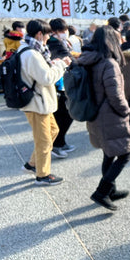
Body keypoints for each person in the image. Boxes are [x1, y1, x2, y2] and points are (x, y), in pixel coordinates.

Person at [77, 26, 130, 210]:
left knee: (109, 153)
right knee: (125, 153)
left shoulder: (89, 59)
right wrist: (125, 110)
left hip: (95, 114)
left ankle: (110, 190)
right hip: (110, 116)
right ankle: (101, 191)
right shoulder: (109, 63)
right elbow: (115, 95)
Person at [19, 19, 71, 186]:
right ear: (40, 34)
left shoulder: (32, 49)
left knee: (53, 131)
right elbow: (47, 78)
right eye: (48, 34)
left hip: (40, 102)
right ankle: (43, 175)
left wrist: (53, 64)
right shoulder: (32, 54)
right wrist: (61, 65)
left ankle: (32, 164)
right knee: (44, 140)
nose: (49, 37)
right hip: (36, 103)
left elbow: (43, 72)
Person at [47, 18, 76, 159]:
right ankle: (56, 144)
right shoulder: (54, 42)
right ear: (54, 32)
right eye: (62, 31)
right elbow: (69, 58)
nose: (65, 33)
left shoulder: (61, 41)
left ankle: (61, 141)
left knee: (66, 114)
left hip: (62, 81)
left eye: (65, 30)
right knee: (64, 114)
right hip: (58, 84)